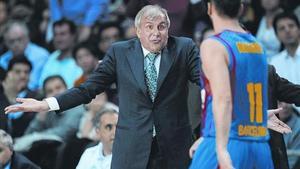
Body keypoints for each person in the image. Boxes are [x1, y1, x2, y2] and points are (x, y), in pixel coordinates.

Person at [5, 5, 201, 169]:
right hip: (131, 150)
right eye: (149, 27)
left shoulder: (183, 48)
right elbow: (87, 89)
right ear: (138, 31)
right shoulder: (119, 52)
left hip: (175, 147)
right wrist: (46, 104)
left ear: (168, 28)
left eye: (162, 26)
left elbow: (206, 83)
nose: (156, 33)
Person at [189, 0, 290, 169]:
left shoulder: (213, 45)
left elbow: (224, 99)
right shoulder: (257, 46)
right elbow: (243, 96)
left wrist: (219, 147)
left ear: (210, 8)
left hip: (226, 143)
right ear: (241, 8)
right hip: (259, 145)